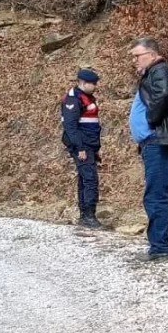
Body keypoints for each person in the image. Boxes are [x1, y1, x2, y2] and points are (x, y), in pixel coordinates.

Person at [129, 37, 168, 260]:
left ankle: (159, 247)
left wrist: (150, 118)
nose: (135, 60)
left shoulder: (160, 70)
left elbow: (164, 94)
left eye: (138, 55)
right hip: (160, 142)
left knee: (156, 196)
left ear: (152, 54)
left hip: (160, 143)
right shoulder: (156, 72)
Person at [61, 68, 103, 229]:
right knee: (90, 180)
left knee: (85, 179)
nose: (96, 86)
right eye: (93, 83)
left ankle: (85, 215)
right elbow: (71, 127)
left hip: (89, 145)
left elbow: (92, 125)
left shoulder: (87, 97)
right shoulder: (74, 99)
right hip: (82, 146)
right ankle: (88, 216)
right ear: (83, 83)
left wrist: (96, 147)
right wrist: (80, 148)